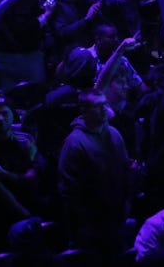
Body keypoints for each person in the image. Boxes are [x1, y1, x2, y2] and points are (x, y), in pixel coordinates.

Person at [57, 89, 131, 256]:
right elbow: (69, 190)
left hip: (116, 218)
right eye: (98, 106)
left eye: (105, 104)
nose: (104, 109)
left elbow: (124, 171)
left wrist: (126, 200)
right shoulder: (74, 143)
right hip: (91, 227)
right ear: (84, 111)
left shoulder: (114, 134)